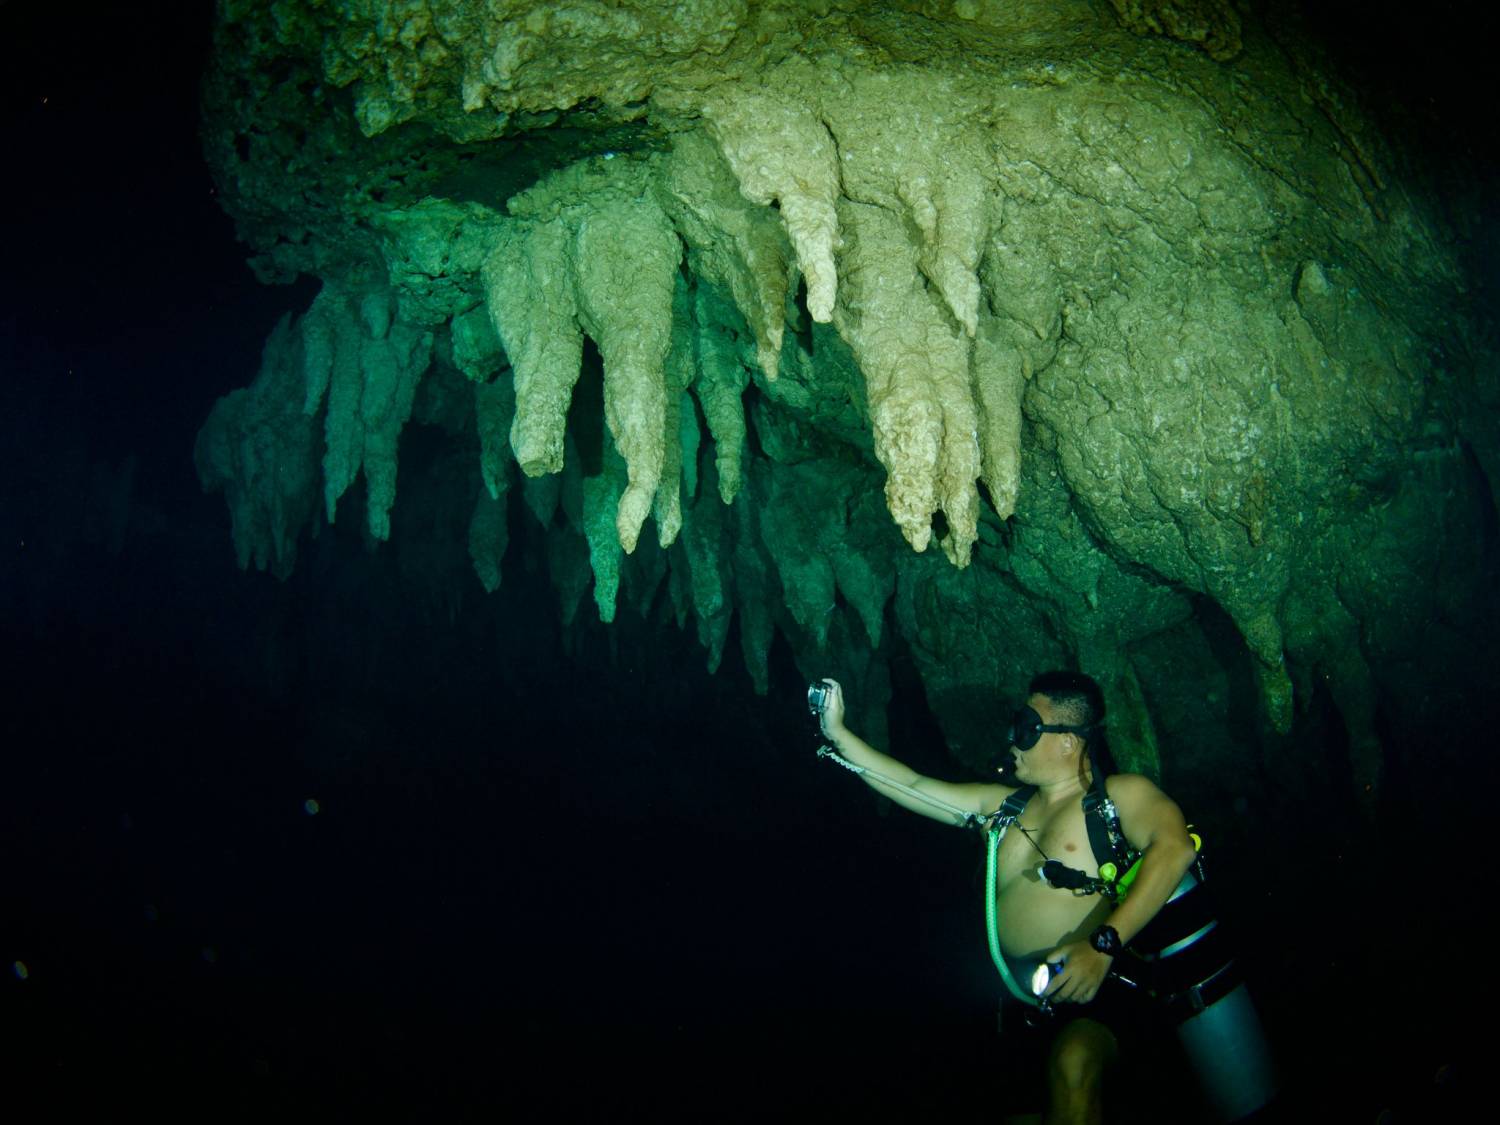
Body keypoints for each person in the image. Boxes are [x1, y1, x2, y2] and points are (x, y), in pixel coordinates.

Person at [816, 670, 1199, 1125]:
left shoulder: (1118, 798)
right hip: (1016, 1000)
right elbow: (913, 786)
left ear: (1067, 742)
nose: (1012, 739)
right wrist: (837, 732)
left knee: (1073, 1064)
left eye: (1025, 727)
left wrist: (1103, 946)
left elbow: (1174, 848)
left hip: (1097, 986)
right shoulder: (1004, 809)